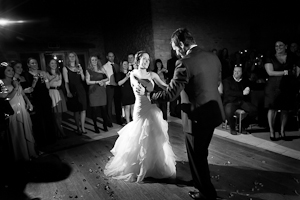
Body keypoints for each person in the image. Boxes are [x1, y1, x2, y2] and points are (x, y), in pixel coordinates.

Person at [137, 28, 225, 200]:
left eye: (175, 48)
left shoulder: (185, 62)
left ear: (182, 45)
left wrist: (149, 95)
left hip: (196, 117)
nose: (176, 52)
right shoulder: (213, 57)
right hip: (213, 113)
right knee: (202, 152)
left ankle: (207, 194)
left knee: (197, 155)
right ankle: (200, 180)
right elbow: (214, 83)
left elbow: (170, 95)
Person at [104, 51, 176, 183]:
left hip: (150, 106)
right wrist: (150, 90)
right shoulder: (133, 74)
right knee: (140, 135)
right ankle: (139, 166)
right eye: (144, 59)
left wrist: (177, 86)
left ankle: (153, 166)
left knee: (153, 136)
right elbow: (138, 88)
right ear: (138, 60)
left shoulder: (152, 74)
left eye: (148, 60)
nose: (146, 62)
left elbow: (165, 86)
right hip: (140, 108)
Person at [0, 62, 37, 161]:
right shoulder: (1, 82)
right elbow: (5, 98)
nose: (11, 72)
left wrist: (28, 102)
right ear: (3, 71)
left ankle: (30, 153)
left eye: (12, 70)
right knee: (17, 132)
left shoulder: (15, 80)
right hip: (12, 110)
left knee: (27, 129)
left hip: (22, 108)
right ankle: (21, 156)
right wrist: (15, 88)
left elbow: (23, 94)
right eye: (8, 70)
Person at [264, 40, 299, 140]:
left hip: (286, 86)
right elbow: (270, 72)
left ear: (286, 46)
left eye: (280, 45)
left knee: (285, 109)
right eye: (276, 46)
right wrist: (285, 72)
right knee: (272, 108)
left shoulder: (291, 57)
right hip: (273, 86)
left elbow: (295, 69)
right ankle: (272, 131)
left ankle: (282, 131)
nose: (278, 47)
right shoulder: (270, 57)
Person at [25, 57, 55, 147]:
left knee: (48, 118)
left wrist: (45, 78)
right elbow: (28, 89)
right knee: (38, 120)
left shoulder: (42, 72)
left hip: (45, 97)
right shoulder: (26, 75)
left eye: (36, 63)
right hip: (36, 99)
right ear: (28, 65)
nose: (35, 64)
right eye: (32, 63)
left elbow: (48, 86)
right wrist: (34, 80)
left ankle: (51, 139)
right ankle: (41, 141)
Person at [222, 65, 258, 135]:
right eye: (235, 71)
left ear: (242, 73)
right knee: (228, 111)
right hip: (230, 101)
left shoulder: (245, 80)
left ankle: (243, 125)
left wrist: (248, 88)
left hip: (241, 101)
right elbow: (228, 92)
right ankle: (232, 128)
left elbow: (250, 86)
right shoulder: (227, 80)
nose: (236, 73)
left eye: (238, 71)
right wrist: (242, 93)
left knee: (254, 110)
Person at [62, 52, 87, 135]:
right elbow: (66, 82)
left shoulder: (79, 66)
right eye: (70, 56)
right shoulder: (65, 68)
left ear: (75, 57)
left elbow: (83, 79)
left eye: (73, 56)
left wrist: (81, 71)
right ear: (67, 58)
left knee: (83, 109)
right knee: (76, 110)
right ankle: (78, 128)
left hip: (81, 89)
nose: (72, 57)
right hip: (73, 89)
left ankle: (83, 127)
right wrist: (68, 91)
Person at [85, 55, 109, 133]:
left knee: (104, 109)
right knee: (94, 110)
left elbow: (107, 78)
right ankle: (96, 127)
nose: (94, 61)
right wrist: (97, 82)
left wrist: (102, 81)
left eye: (95, 60)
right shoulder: (88, 70)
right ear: (90, 62)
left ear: (97, 61)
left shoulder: (101, 68)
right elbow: (87, 82)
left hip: (101, 90)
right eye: (92, 60)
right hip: (93, 91)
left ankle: (105, 125)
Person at [45, 59, 67, 140]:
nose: (53, 64)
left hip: (59, 92)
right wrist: (54, 79)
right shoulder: (47, 73)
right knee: (55, 114)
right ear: (49, 64)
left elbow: (60, 83)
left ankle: (58, 132)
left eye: (54, 63)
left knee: (60, 114)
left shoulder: (59, 72)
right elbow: (48, 85)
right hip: (52, 92)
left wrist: (56, 79)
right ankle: (61, 132)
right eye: (51, 63)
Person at [103, 52, 122, 126]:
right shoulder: (104, 67)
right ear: (107, 57)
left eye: (112, 56)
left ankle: (119, 119)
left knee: (118, 104)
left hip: (117, 86)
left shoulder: (117, 66)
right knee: (109, 104)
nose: (111, 58)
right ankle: (109, 121)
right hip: (109, 86)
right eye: (110, 56)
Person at [116, 59, 135, 124]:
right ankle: (128, 122)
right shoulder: (119, 74)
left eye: (127, 64)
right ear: (121, 65)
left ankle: (134, 121)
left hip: (131, 91)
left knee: (133, 106)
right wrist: (126, 78)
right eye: (124, 64)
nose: (126, 65)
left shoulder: (131, 72)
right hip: (124, 92)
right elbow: (119, 83)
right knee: (127, 107)